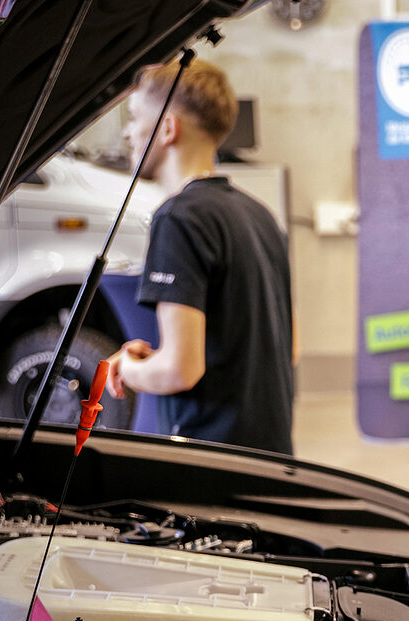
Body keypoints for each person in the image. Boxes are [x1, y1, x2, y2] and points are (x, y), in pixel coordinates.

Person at [107, 58, 295, 455]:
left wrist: (128, 369)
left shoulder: (178, 218)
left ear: (168, 129)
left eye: (134, 117)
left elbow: (181, 369)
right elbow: (286, 348)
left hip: (213, 462)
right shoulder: (260, 214)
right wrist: (161, 355)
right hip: (272, 454)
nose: (127, 132)